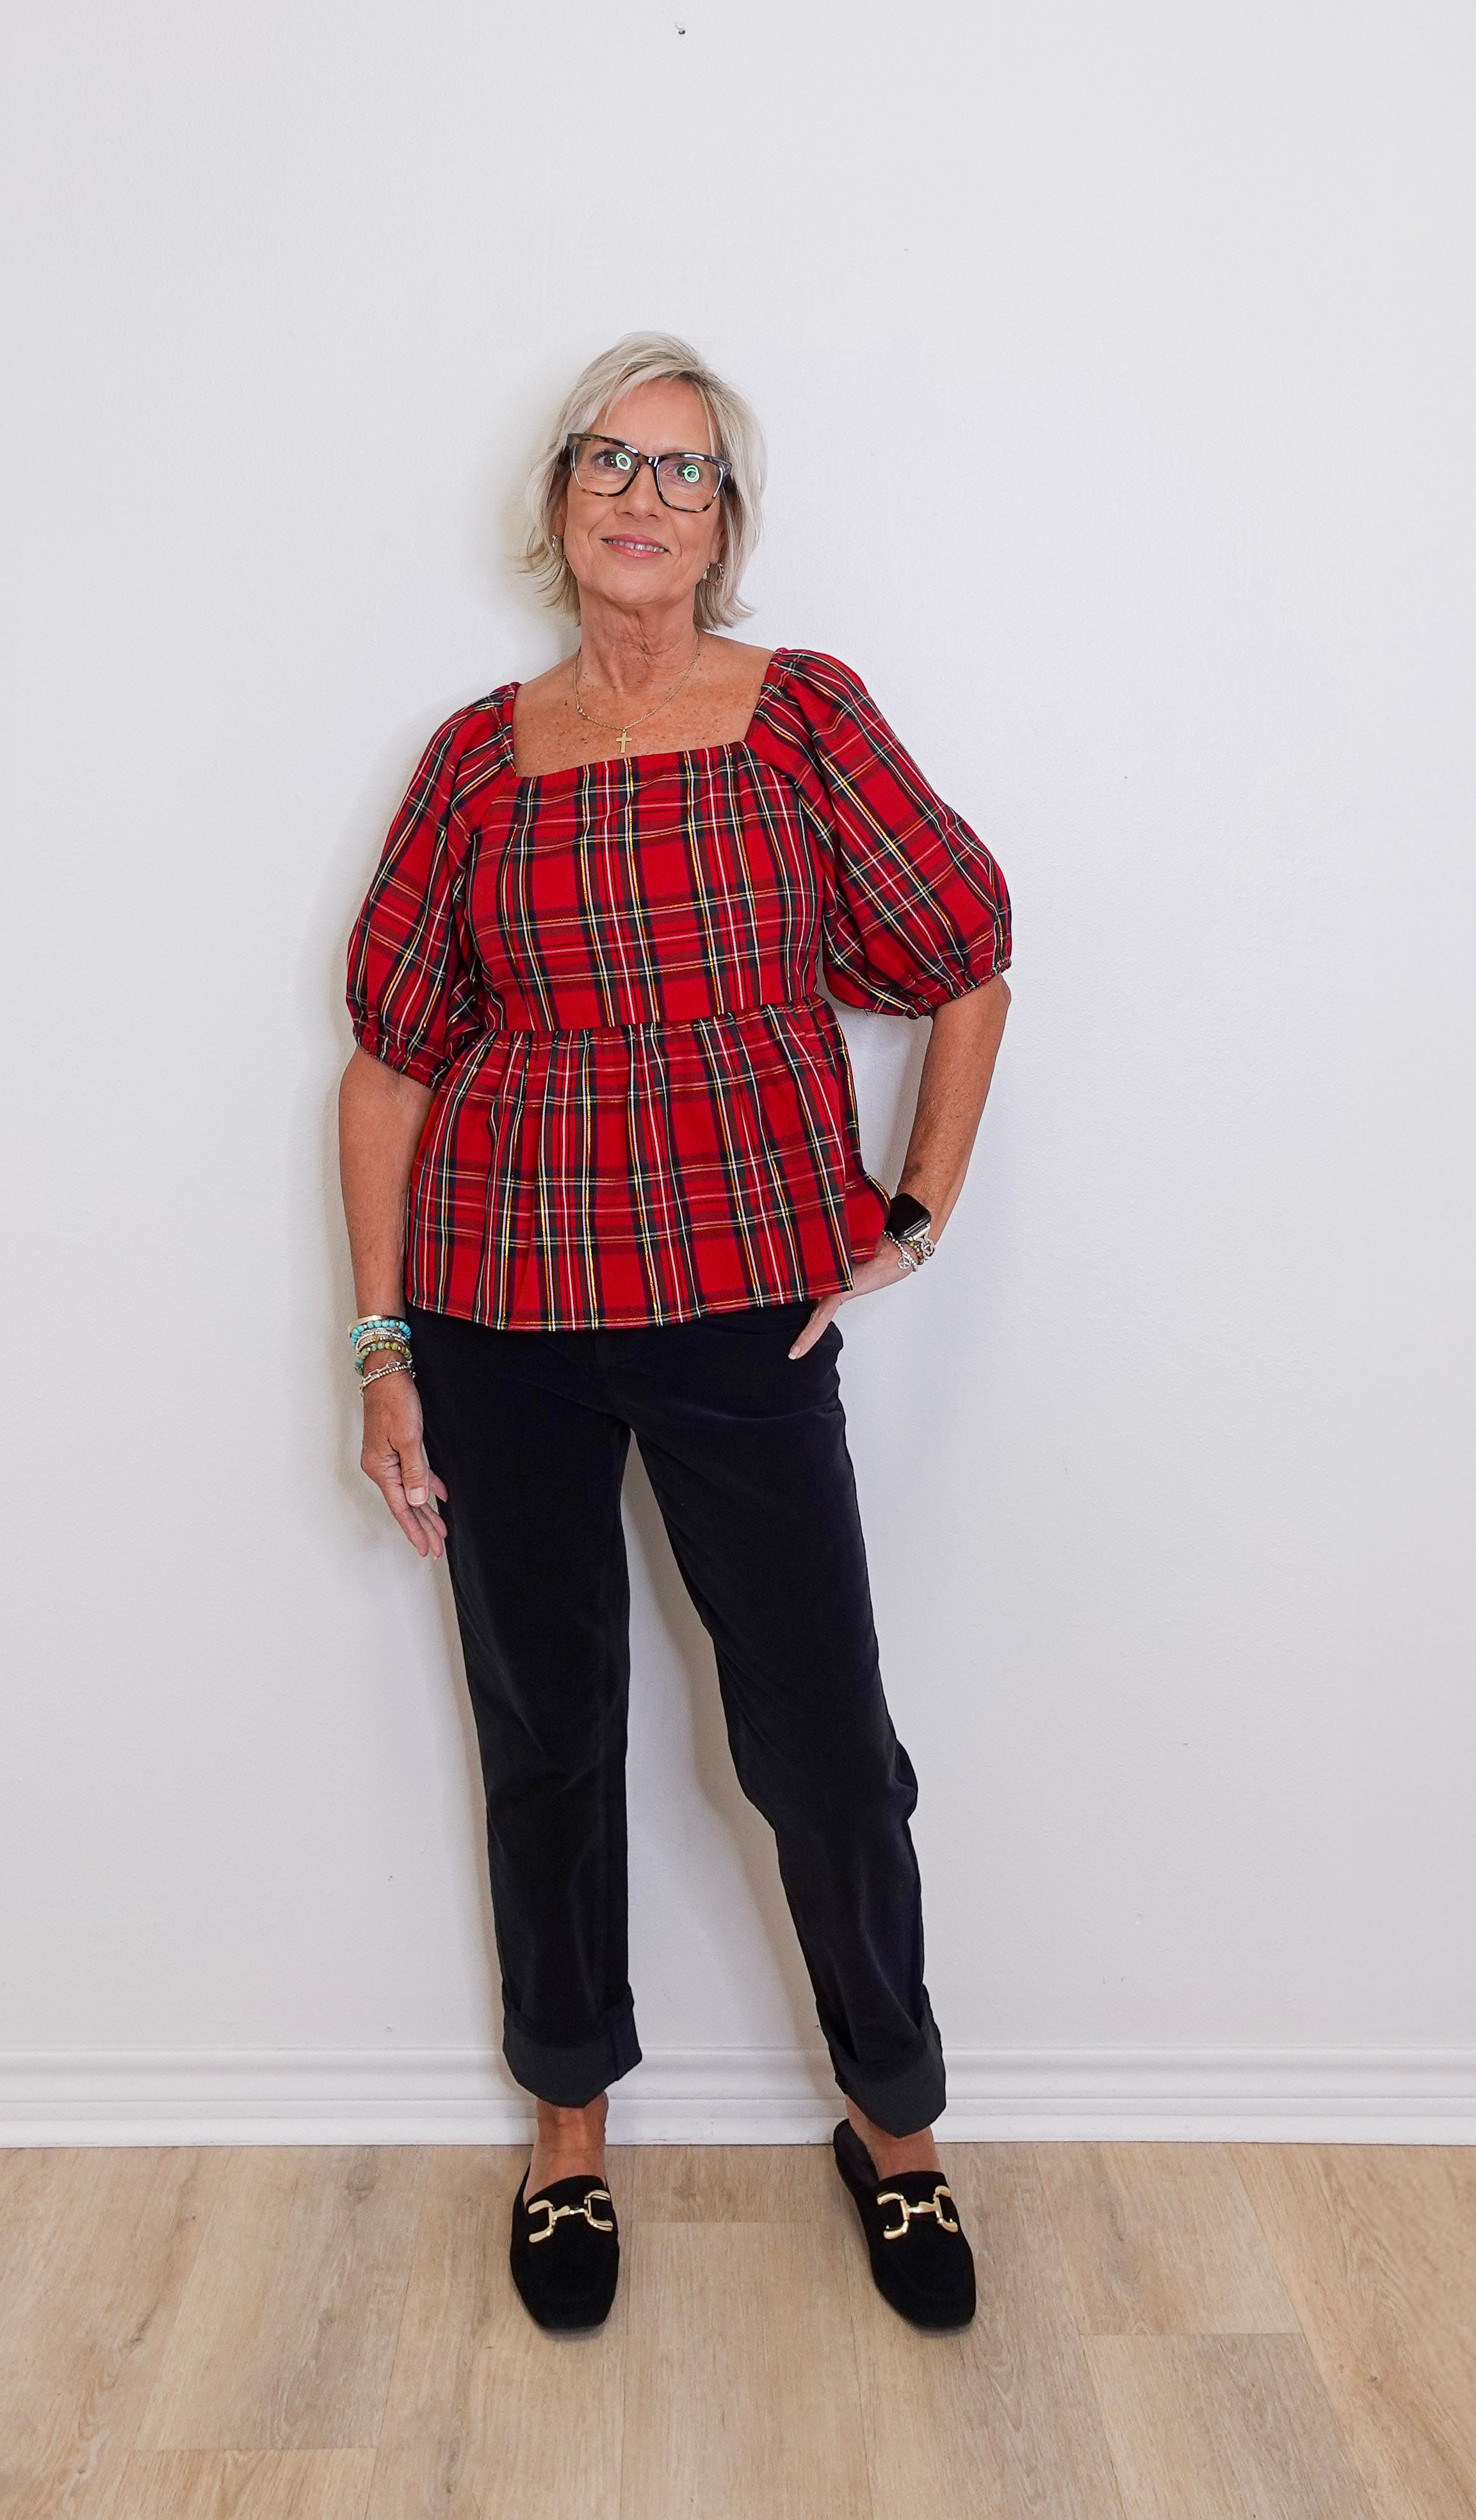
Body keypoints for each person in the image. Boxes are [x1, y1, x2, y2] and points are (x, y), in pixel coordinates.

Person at [337, 332, 1012, 2334]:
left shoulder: (801, 717)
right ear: (558, 502)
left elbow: (966, 944)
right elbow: (388, 1070)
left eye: (686, 472)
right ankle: (570, 2132)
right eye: (612, 462)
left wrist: (913, 1211)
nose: (644, 496)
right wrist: (382, 1342)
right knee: (548, 1736)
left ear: (727, 525)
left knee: (819, 1741)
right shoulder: (476, 758)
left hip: (743, 1313)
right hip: (503, 1315)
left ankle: (894, 2123)